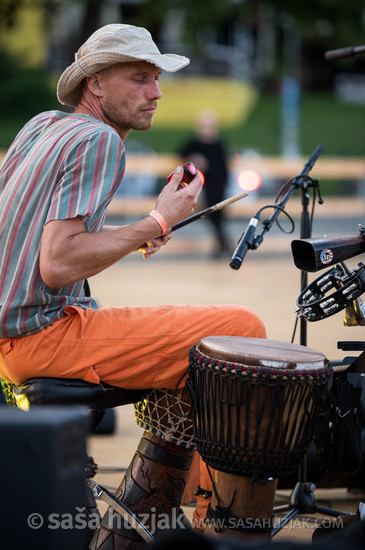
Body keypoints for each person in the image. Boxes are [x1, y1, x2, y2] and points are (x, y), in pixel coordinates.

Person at [0, 24, 266, 547]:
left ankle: (144, 517)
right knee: (240, 329)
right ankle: (217, 526)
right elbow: (56, 265)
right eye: (140, 78)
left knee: (197, 336)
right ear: (95, 84)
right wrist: (157, 222)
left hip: (11, 335)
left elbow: (35, 243)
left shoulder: (42, 126)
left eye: (157, 78)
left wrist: (136, 237)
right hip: (37, 338)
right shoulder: (100, 140)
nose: (157, 92)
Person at [180, 109, 230, 258]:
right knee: (210, 213)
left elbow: (224, 167)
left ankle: (222, 243)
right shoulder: (195, 143)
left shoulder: (219, 144)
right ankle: (223, 243)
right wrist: (193, 158)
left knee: (217, 214)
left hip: (217, 186)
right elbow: (181, 153)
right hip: (202, 186)